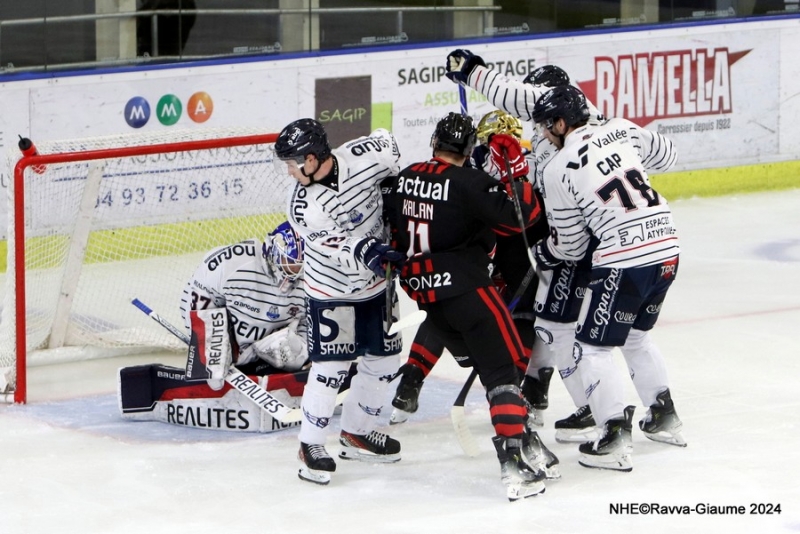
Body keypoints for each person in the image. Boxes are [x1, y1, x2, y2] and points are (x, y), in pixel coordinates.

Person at [392, 112, 554, 501]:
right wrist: (514, 169)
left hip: (426, 298)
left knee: (489, 364)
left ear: (434, 142)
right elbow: (524, 216)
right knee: (504, 373)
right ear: (469, 149)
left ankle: (527, 443)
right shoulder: (470, 182)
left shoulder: (405, 177)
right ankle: (514, 463)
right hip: (469, 293)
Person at [444, 55, 605, 438]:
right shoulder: (574, 132)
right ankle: (546, 394)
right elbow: (533, 177)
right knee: (549, 325)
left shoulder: (569, 135)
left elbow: (542, 185)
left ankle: (591, 408)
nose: (540, 124)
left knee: (556, 327)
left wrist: (473, 73)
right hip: (577, 239)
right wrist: (504, 167)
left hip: (577, 244)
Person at [530, 85, 685, 471]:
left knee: (592, 348)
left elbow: (572, 245)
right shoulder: (620, 127)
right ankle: (663, 415)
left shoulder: (556, 167)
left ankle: (614, 434)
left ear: (562, 123)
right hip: (667, 246)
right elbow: (668, 153)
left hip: (625, 258)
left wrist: (542, 253)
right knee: (636, 336)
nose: (544, 134)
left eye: (547, 127)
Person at [275, 118, 406, 486]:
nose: (288, 171)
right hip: (331, 290)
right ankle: (310, 445)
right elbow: (337, 245)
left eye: (292, 162)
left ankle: (358, 432)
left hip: (377, 288)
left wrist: (394, 188)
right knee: (332, 367)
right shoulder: (303, 204)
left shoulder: (365, 156)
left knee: (384, 361)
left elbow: (389, 144)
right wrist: (370, 250)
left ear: (314, 158)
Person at [118, 222, 315, 433]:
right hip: (231, 345)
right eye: (290, 261)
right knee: (213, 352)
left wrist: (304, 355)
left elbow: (309, 323)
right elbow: (195, 308)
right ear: (273, 250)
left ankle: (269, 370)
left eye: (301, 264)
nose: (295, 271)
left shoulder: (314, 277)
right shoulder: (231, 262)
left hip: (269, 350)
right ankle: (220, 367)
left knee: (293, 348)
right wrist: (210, 350)